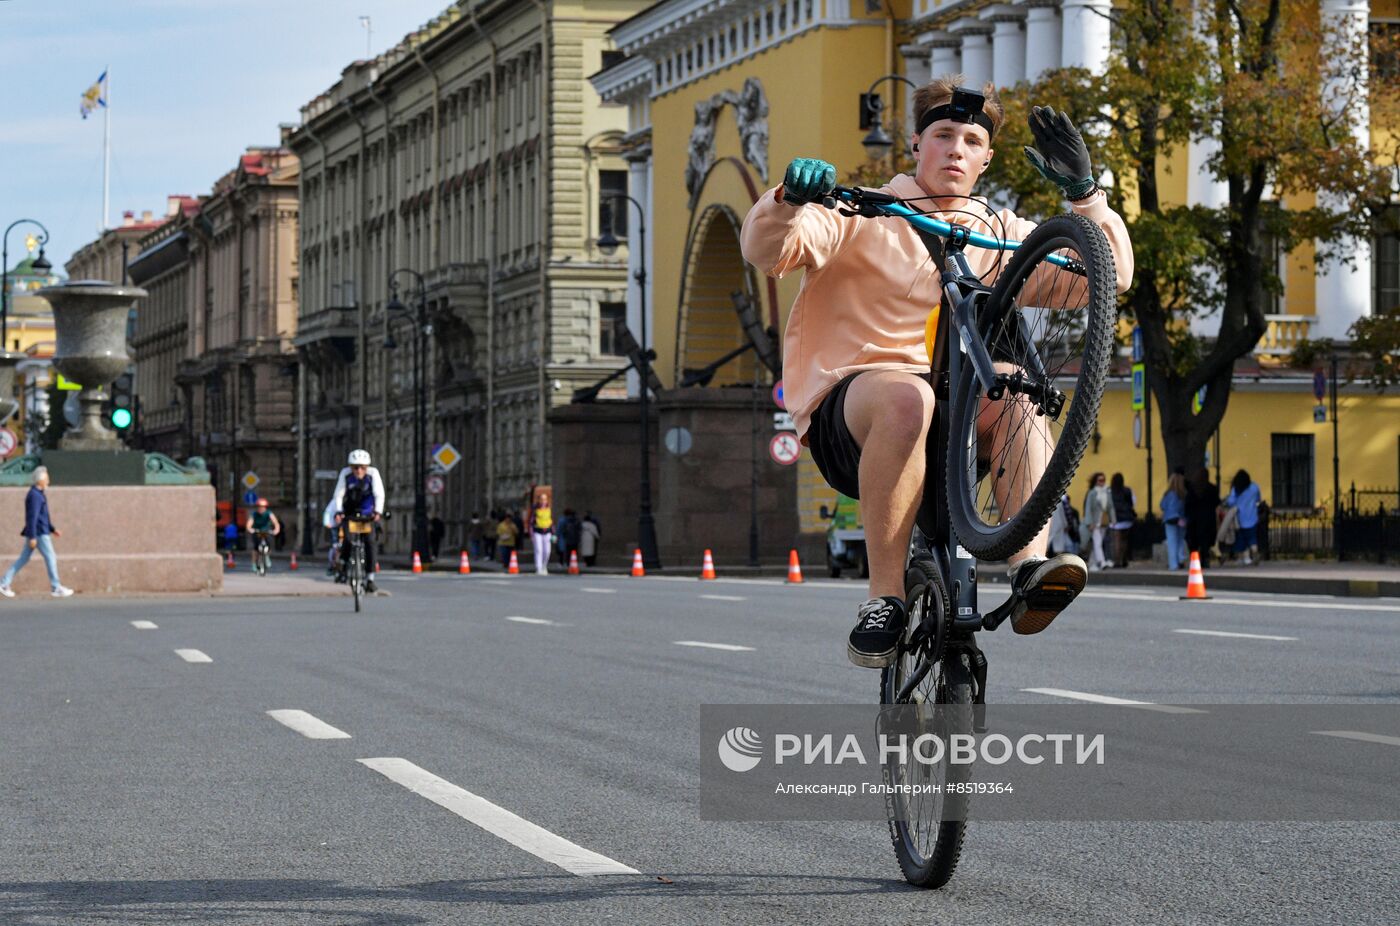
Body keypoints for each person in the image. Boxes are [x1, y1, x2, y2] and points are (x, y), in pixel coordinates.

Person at [740, 76, 1134, 666]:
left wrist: (1086, 196)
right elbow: (768, 250)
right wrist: (789, 199)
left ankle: (1029, 571)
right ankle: (884, 599)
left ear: (987, 159)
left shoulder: (998, 235)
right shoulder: (857, 213)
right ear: (917, 146)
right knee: (906, 398)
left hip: (955, 422)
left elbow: (1104, 278)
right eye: (944, 135)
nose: (956, 149)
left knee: (1015, 388)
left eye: (972, 140)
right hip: (856, 418)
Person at [0, 466, 74, 598]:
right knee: (51, 557)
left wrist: (52, 529)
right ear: (40, 480)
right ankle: (56, 587)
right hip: (39, 533)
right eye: (47, 479)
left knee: (24, 558)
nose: (48, 482)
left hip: (38, 531)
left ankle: (4, 583)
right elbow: (32, 517)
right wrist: (33, 536)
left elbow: (42, 516)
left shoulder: (37, 494)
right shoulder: (35, 496)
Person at [331, 449, 386, 592]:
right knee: (348, 540)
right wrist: (338, 511)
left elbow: (379, 494)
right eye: (355, 467)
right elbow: (338, 494)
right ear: (351, 467)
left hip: (368, 515)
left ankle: (370, 578)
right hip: (350, 513)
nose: (359, 470)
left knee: (370, 543)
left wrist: (377, 511)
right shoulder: (346, 474)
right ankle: (343, 564)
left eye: (362, 467)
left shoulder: (373, 474)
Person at [1223, 468, 1263, 565]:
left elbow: (1230, 502)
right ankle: (1254, 552)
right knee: (1252, 538)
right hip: (1253, 518)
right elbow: (1258, 499)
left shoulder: (1236, 489)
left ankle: (1244, 558)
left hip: (1240, 519)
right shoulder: (1254, 487)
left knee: (1241, 539)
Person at [1186, 468, 1220, 568]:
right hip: (1208, 518)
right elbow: (1216, 502)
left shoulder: (1192, 489)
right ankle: (1205, 559)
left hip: (1194, 519)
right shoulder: (1212, 488)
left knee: (1194, 542)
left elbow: (1187, 504)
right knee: (1205, 541)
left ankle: (1195, 561)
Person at [1081, 472, 1112, 570]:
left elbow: (1110, 507)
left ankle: (1091, 563)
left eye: (1103, 480)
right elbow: (1088, 508)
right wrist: (1089, 523)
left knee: (1097, 544)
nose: (1102, 482)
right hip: (1094, 523)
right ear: (1095, 481)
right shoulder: (1092, 492)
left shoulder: (1107, 491)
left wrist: (1112, 519)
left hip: (1103, 522)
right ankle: (1102, 562)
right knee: (1098, 543)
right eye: (1100, 480)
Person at [1160, 472, 1188, 570]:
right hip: (1182, 519)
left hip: (1169, 519)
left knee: (1172, 542)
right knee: (1180, 541)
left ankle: (1173, 564)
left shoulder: (1168, 494)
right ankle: (1180, 559)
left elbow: (1162, 505)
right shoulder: (1183, 494)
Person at [1108, 473, 1137, 568]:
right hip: (1127, 518)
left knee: (1117, 540)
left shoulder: (1110, 491)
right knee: (1124, 540)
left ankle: (1117, 561)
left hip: (1115, 518)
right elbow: (1132, 503)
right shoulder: (1127, 490)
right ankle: (1124, 559)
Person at [244, 497, 281, 567]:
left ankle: (267, 557)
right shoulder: (254, 514)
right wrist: (250, 529)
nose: (261, 508)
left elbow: (275, 522)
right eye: (260, 507)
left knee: (269, 544)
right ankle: (254, 564)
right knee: (255, 548)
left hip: (266, 531)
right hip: (257, 531)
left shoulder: (269, 513)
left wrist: (276, 530)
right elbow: (249, 524)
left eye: (263, 507)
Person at [529, 488, 554, 575]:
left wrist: (553, 533)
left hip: (547, 531)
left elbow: (551, 522)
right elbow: (531, 522)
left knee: (547, 551)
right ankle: (538, 568)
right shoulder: (535, 509)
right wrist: (531, 534)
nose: (543, 501)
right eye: (542, 499)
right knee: (538, 550)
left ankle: (544, 566)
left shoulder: (549, 509)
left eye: (545, 499)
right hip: (537, 531)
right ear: (539, 500)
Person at [1048, 494, 1079, 558]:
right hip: (1058, 525)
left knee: (1050, 544)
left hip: (1052, 526)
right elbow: (1064, 514)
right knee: (1058, 547)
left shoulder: (1050, 501)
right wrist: (1066, 524)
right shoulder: (1061, 501)